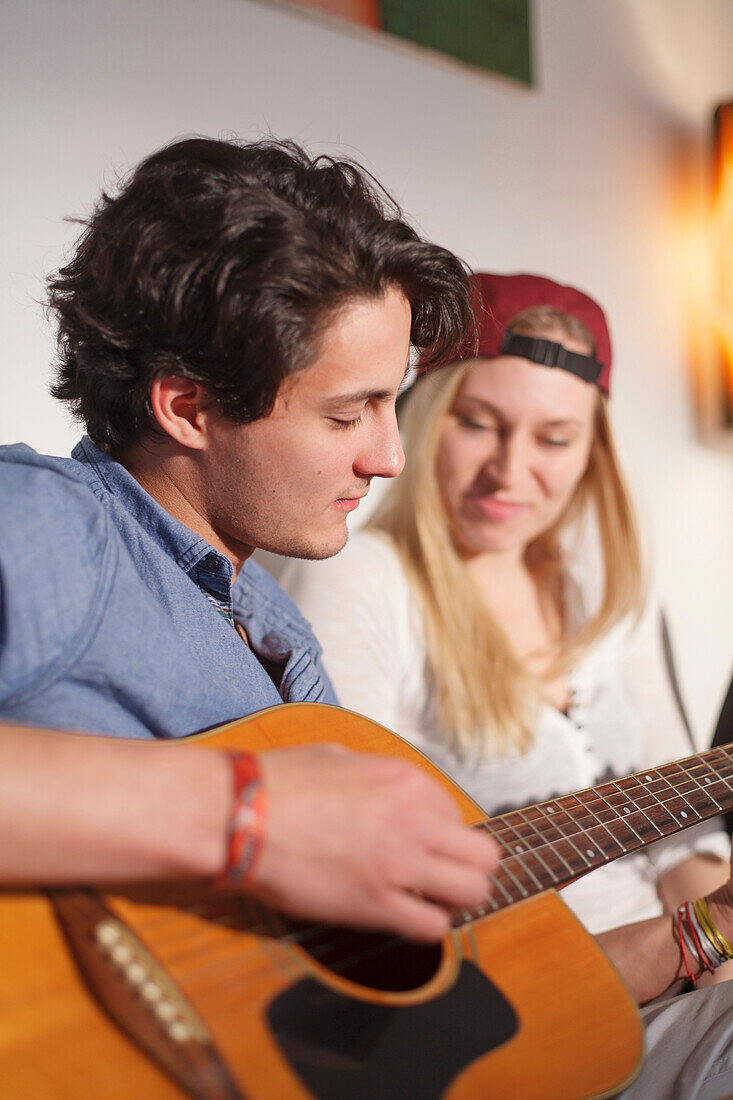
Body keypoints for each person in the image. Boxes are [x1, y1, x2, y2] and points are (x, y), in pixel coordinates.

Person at [0, 136, 498, 942]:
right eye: (345, 415)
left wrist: (694, 936)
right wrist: (246, 820)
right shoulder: (52, 525)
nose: (389, 458)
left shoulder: (271, 623)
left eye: (390, 407)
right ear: (188, 409)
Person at [283, 272, 733, 1097]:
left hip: (682, 975)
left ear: (593, 451)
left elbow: (684, 832)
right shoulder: (361, 578)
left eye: (554, 439)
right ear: (422, 416)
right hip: (515, 1017)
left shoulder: (604, 593)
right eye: (478, 423)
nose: (509, 471)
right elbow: (347, 887)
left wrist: (713, 948)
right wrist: (694, 941)